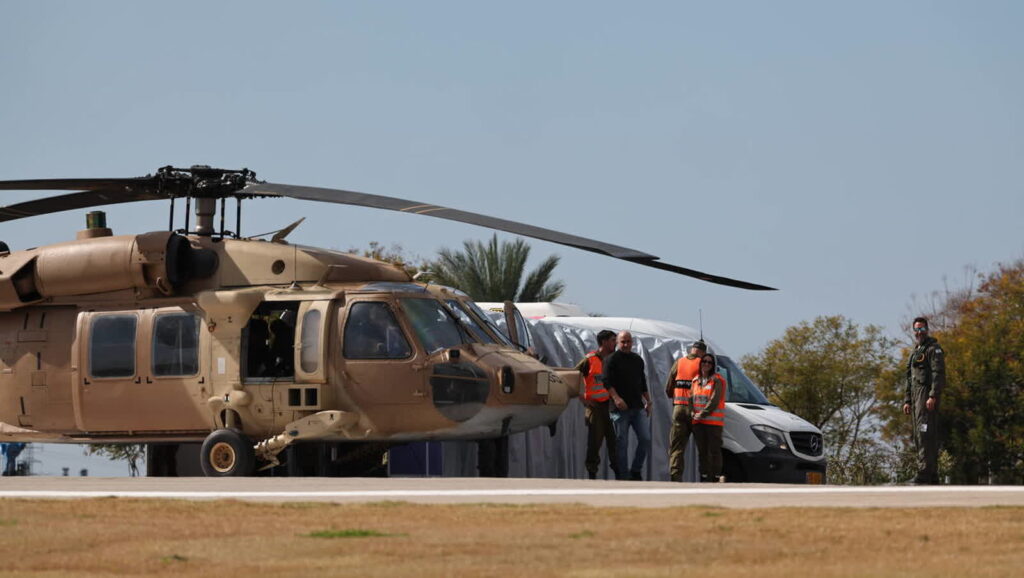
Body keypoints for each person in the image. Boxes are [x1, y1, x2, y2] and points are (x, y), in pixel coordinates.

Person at [903, 316, 945, 485]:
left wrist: (933, 395)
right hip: (916, 396)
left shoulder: (933, 349)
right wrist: (907, 400)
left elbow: (938, 374)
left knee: (925, 432)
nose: (919, 332)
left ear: (927, 330)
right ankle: (932, 474)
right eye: (916, 329)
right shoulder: (916, 352)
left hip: (926, 395)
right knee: (919, 433)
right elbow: (909, 378)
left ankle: (924, 472)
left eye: (922, 329)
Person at [604, 330, 651, 480]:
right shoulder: (611, 359)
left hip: (637, 407)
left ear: (632, 342)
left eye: (628, 341)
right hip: (619, 409)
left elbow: (642, 382)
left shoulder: (637, 360)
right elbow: (607, 382)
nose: (626, 344)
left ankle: (636, 470)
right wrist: (616, 398)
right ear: (617, 343)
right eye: (623, 341)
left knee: (645, 438)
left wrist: (648, 401)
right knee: (622, 442)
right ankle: (623, 475)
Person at [575, 330, 619, 480]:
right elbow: (572, 377)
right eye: (613, 340)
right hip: (596, 408)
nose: (615, 343)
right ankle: (592, 475)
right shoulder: (590, 360)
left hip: (611, 407)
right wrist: (583, 398)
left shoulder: (614, 360)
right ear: (604, 342)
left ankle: (619, 475)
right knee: (594, 444)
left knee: (615, 442)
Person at [664, 340, 706, 482]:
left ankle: (675, 478)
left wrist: (675, 397)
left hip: (679, 408)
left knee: (677, 446)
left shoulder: (680, 362)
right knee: (703, 447)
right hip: (697, 411)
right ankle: (706, 477)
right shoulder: (703, 364)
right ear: (703, 353)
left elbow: (668, 387)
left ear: (692, 350)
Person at [691, 353, 727, 482]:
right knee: (702, 451)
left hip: (713, 423)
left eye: (709, 362)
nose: (706, 364)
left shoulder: (717, 380)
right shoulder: (695, 381)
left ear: (713, 365)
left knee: (714, 451)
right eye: (704, 361)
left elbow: (714, 400)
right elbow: (691, 399)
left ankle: (715, 477)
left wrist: (702, 413)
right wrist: (692, 413)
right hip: (698, 423)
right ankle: (704, 476)